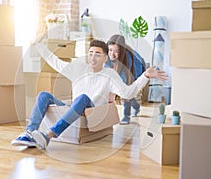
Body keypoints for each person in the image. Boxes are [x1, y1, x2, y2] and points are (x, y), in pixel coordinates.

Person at [11, 39, 167, 150]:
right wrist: (39, 45)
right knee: (44, 95)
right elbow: (55, 62)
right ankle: (30, 133)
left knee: (83, 98)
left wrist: (145, 76)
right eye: (91, 53)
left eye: (98, 54)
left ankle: (48, 135)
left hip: (92, 111)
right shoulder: (78, 69)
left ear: (105, 58)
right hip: (74, 107)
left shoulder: (110, 75)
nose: (93, 57)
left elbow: (128, 92)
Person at [104, 34, 146, 124]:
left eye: (116, 51)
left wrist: (115, 93)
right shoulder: (106, 56)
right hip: (118, 69)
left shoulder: (128, 59)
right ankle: (136, 106)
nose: (112, 54)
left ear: (122, 52)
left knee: (126, 95)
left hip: (134, 72)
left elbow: (124, 85)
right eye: (110, 50)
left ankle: (127, 115)